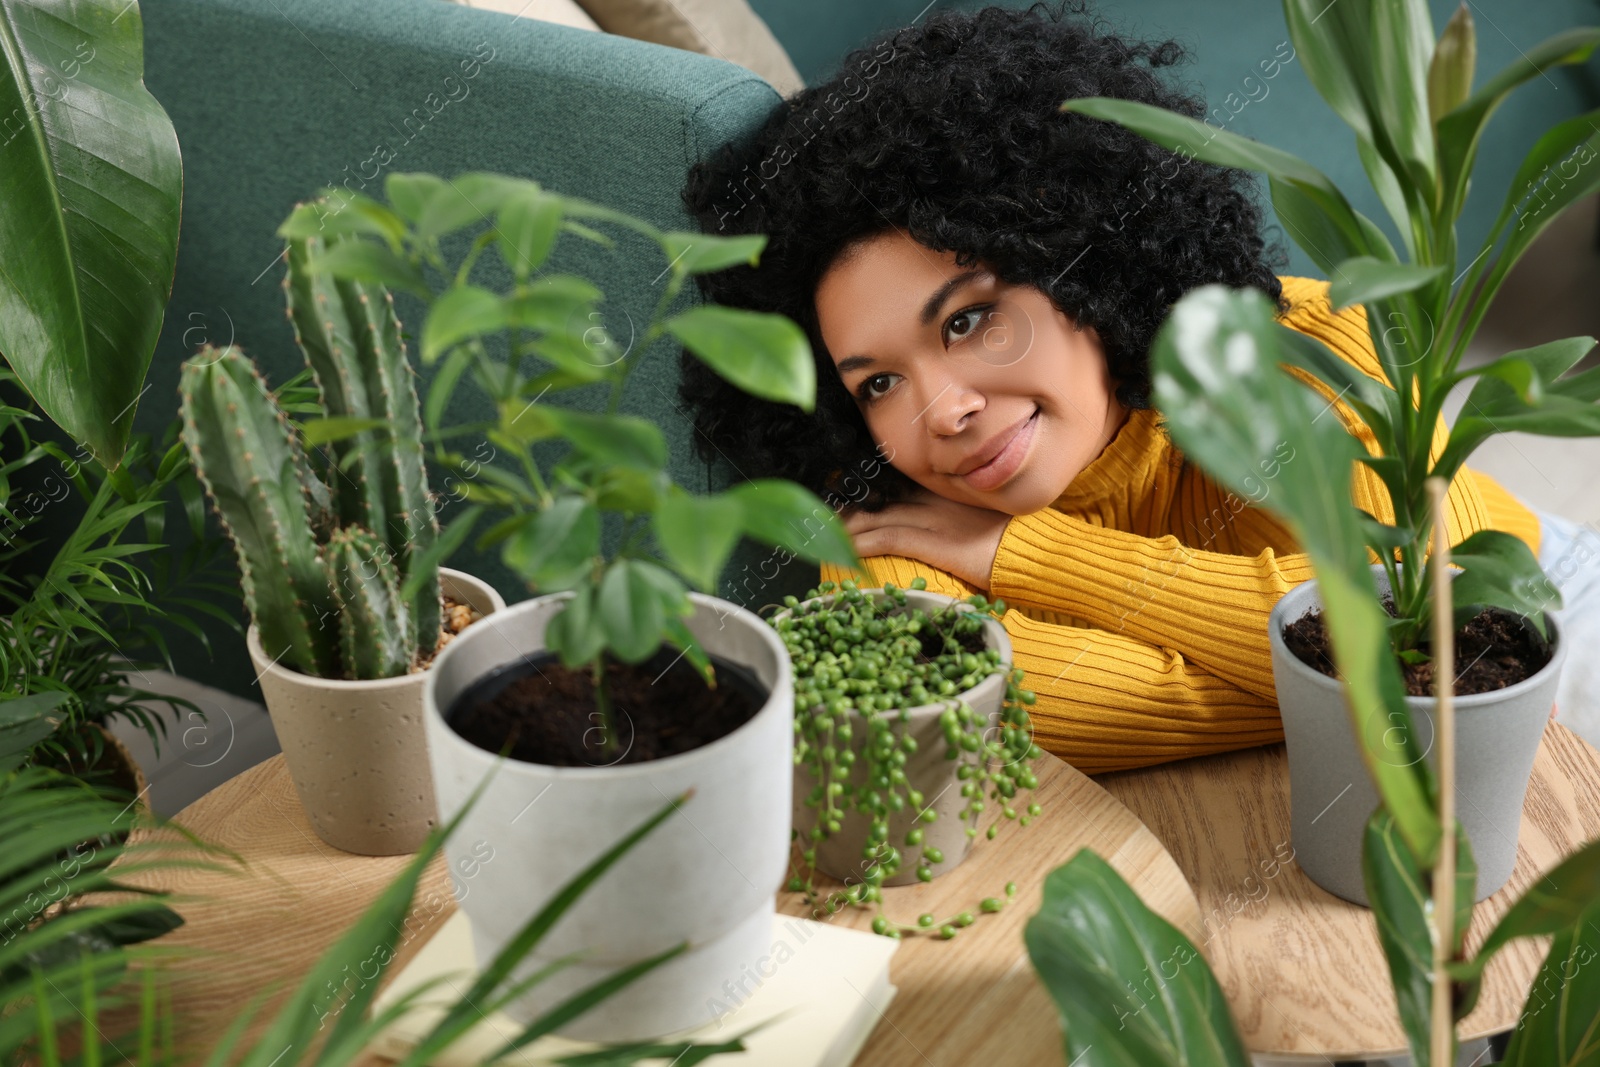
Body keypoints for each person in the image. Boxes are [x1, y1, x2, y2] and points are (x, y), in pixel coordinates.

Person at [676, 1, 1584, 773]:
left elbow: (1459, 613)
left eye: (967, 321)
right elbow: (995, 712)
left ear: (1081, 264)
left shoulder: (1295, 350)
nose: (941, 411)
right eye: (875, 383)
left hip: (1560, 604)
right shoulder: (884, 519)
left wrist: (1018, 557)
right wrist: (1367, 675)